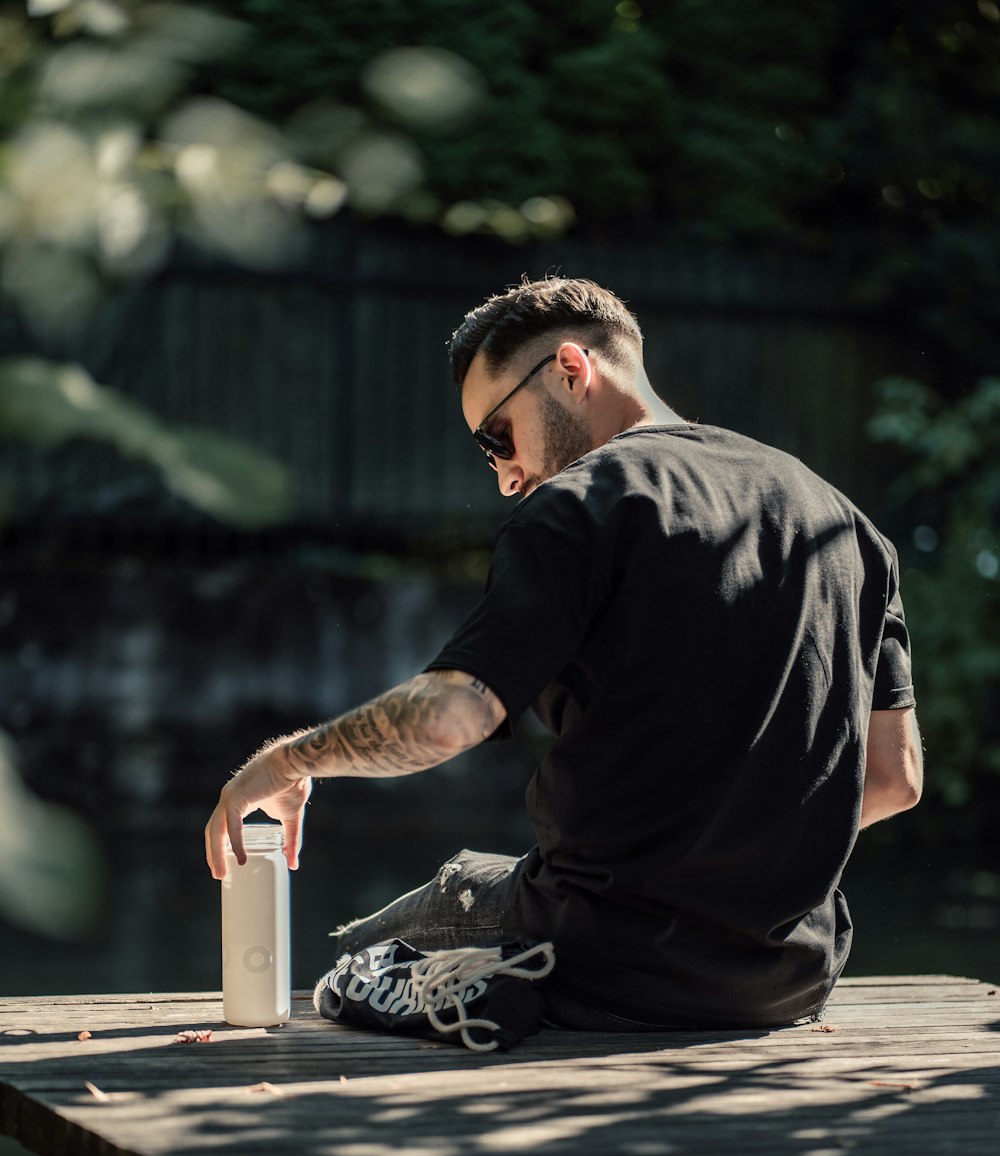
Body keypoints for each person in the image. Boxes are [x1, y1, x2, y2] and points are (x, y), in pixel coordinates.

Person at [205, 275, 922, 1036]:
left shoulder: (580, 506)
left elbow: (451, 717)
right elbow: (894, 777)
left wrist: (287, 762)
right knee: (476, 888)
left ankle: (466, 988)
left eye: (497, 437)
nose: (506, 476)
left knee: (357, 960)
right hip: (788, 981)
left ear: (571, 371)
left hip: (598, 962)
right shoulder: (850, 529)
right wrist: (742, 859)